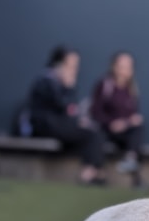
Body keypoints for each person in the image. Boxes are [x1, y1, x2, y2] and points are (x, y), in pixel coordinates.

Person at [27, 45, 106, 185]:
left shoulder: (60, 81)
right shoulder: (47, 80)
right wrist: (68, 87)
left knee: (93, 130)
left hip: (59, 125)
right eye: (70, 65)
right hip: (46, 126)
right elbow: (63, 106)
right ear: (59, 64)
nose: (74, 69)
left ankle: (91, 172)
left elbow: (70, 110)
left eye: (76, 65)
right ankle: (88, 174)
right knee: (92, 133)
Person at [90, 51, 144, 183]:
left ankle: (131, 165)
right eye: (122, 66)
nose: (125, 70)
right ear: (114, 67)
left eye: (128, 67)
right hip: (106, 129)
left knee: (138, 129)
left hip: (124, 131)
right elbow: (96, 112)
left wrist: (130, 121)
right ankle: (98, 174)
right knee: (96, 136)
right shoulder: (105, 85)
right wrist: (111, 123)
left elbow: (132, 112)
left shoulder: (132, 89)